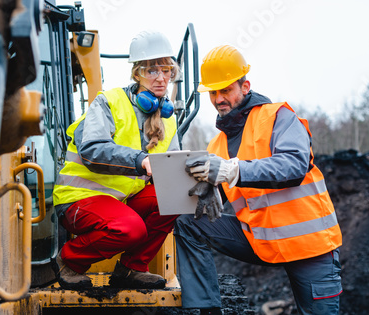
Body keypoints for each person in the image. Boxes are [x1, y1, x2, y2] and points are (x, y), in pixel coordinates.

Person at [173, 45, 343, 315]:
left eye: (225, 90)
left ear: (245, 85)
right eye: (213, 93)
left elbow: (293, 166)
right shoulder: (216, 145)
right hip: (260, 242)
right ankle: (206, 310)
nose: (219, 99)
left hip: (309, 246)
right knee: (187, 224)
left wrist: (232, 171)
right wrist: (206, 192)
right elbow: (218, 191)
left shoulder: (278, 117)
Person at [52, 30, 180, 290]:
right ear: (137, 74)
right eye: (152, 70)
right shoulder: (108, 103)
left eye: (166, 70)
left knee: (173, 196)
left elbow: (173, 169)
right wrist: (140, 159)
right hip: (78, 200)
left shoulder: (168, 119)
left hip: (118, 203)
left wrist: (200, 182)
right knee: (131, 228)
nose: (160, 77)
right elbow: (91, 149)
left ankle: (131, 269)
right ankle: (69, 261)